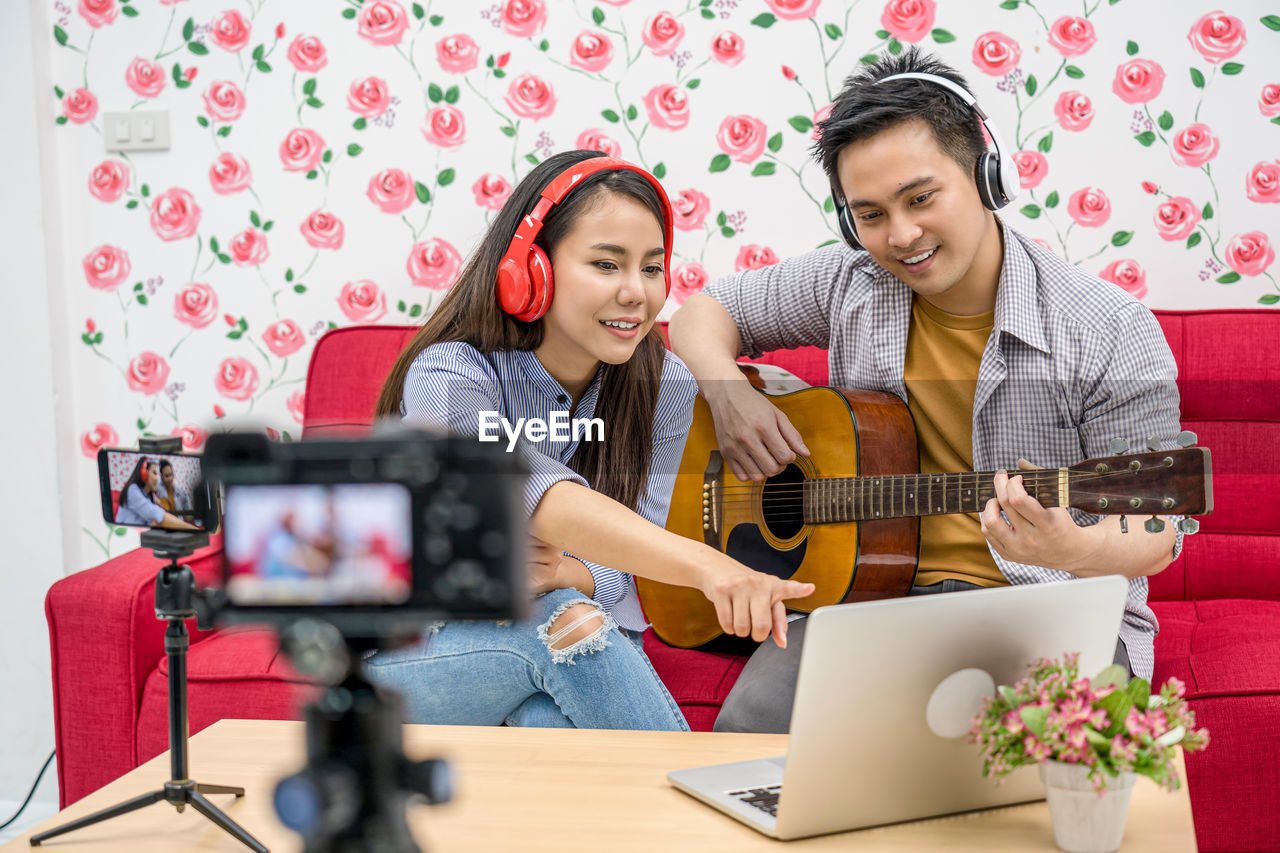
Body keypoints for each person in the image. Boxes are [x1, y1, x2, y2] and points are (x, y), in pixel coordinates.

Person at [670, 49, 1185, 733]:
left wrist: (1071, 549)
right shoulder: (849, 281)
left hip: (1045, 606)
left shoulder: (1110, 329)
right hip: (863, 600)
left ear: (985, 173)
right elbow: (702, 313)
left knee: (1020, 780)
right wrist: (729, 394)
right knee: (745, 734)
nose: (901, 235)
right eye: (871, 214)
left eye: (921, 198)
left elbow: (1156, 528)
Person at [363, 150, 814, 730]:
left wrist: (562, 571)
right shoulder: (449, 375)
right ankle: (691, 810)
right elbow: (531, 487)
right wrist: (710, 568)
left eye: (652, 268)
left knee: (546, 715)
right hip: (414, 655)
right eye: (607, 265)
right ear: (532, 270)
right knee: (561, 621)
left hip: (555, 648)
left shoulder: (665, 384)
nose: (637, 293)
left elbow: (616, 578)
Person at [114, 458, 198, 530]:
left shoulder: (180, 492)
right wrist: (194, 530)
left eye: (171, 475)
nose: (157, 478)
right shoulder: (132, 490)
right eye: (154, 473)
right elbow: (159, 516)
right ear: (144, 474)